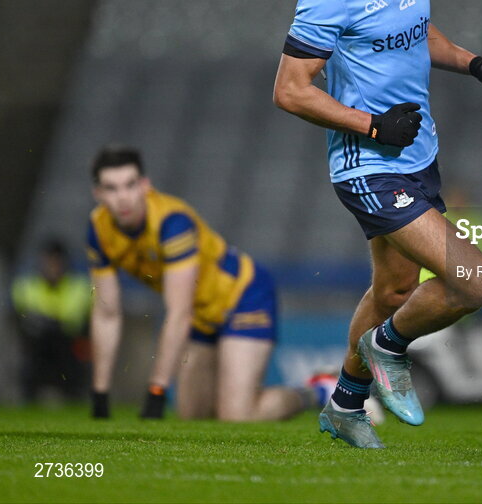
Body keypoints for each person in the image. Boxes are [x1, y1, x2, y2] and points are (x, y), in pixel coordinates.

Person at [272, 0, 482, 449]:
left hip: (418, 153)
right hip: (368, 164)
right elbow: (290, 89)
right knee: (474, 281)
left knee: (393, 293)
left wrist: (472, 63)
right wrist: (374, 127)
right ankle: (387, 348)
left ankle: (346, 405)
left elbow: (415, 30)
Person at [86, 146, 323, 421]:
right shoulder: (98, 229)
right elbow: (106, 313)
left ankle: (316, 392)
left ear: (145, 185)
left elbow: (178, 313)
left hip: (242, 296)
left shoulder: (172, 222)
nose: (122, 198)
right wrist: (100, 393)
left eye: (129, 185)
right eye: (111, 188)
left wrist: (156, 391)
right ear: (98, 194)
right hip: (201, 313)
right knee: (193, 416)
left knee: (237, 416)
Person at [11, 238, 91, 401]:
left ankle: (74, 395)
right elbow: (21, 321)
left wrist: (52, 323)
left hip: (68, 348)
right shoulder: (26, 286)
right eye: (49, 261)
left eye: (57, 262)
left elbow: (81, 324)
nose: (53, 267)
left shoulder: (80, 287)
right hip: (39, 349)